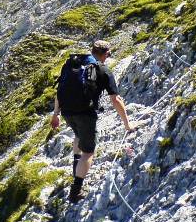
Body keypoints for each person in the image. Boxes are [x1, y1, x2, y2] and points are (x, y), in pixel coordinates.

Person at [51, 40, 134, 203]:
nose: (108, 57)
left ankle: (76, 167)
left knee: (78, 135)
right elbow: (115, 100)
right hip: (85, 113)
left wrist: (56, 115)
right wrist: (127, 125)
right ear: (104, 54)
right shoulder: (103, 70)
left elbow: (59, 90)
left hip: (67, 111)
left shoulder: (73, 64)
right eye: (109, 54)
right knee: (88, 152)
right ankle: (76, 190)